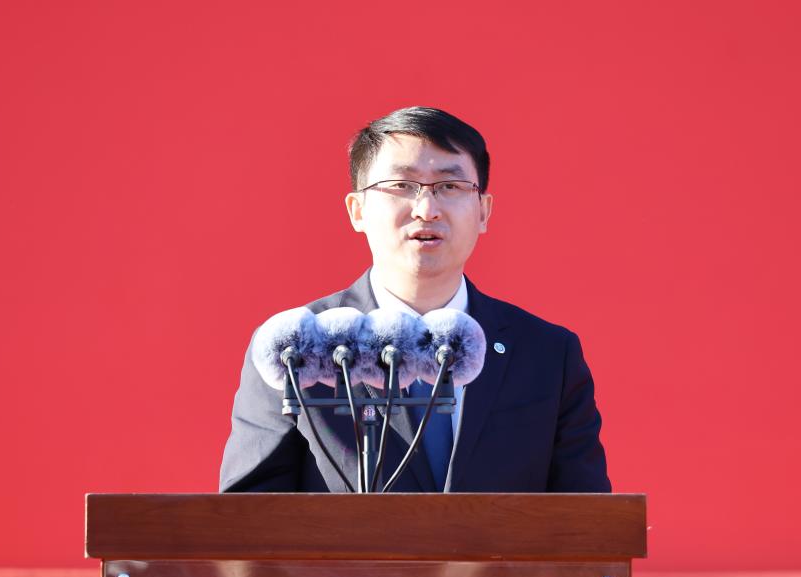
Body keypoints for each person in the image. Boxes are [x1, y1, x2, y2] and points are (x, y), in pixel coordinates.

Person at [220, 106, 610, 493]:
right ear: (357, 210)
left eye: (450, 187)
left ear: (483, 211)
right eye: (402, 186)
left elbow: (586, 518)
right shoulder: (297, 347)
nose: (427, 210)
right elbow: (248, 515)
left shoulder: (547, 354)